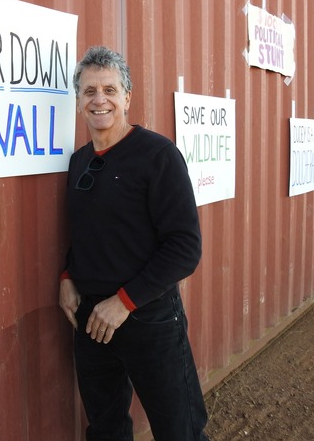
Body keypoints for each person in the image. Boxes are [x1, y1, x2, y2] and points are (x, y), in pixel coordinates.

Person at [59, 46, 209, 441]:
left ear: (127, 97)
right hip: (92, 322)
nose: (99, 99)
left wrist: (123, 302)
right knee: (105, 429)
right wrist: (68, 274)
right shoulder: (79, 162)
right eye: (89, 91)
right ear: (78, 102)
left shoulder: (158, 155)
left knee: (181, 431)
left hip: (149, 317)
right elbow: (86, 231)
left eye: (109, 89)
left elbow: (185, 246)